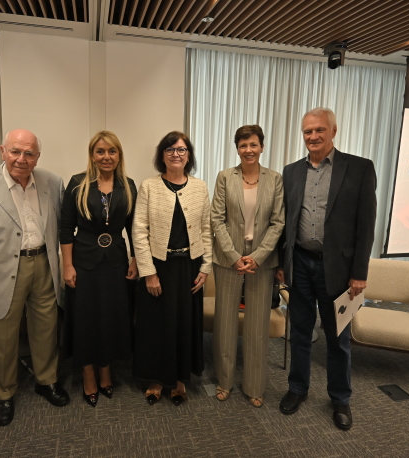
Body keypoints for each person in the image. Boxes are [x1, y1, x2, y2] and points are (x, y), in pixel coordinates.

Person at [0, 129, 69, 427]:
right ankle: (3, 393)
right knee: (1, 335)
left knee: (46, 327)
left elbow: (63, 228)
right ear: (2, 151)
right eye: (15, 151)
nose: (22, 159)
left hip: (44, 263)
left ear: (37, 157)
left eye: (29, 153)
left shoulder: (52, 182)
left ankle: (47, 380)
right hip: (2, 271)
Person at [276, 108, 377, 430]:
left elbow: (366, 226)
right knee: (300, 332)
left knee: (338, 337)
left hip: (339, 269)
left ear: (333, 131)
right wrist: (282, 263)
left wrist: (359, 273)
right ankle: (297, 388)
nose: (313, 136)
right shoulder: (291, 172)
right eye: (307, 131)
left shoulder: (359, 168)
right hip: (300, 264)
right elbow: (285, 223)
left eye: (319, 130)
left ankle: (340, 398)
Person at [132, 131, 213, 406]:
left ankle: (179, 379)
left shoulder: (200, 187)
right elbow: (139, 231)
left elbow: (206, 229)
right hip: (159, 267)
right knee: (157, 326)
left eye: (181, 150)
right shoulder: (149, 186)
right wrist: (149, 272)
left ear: (188, 155)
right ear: (162, 155)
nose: (175, 154)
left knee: (183, 324)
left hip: (190, 267)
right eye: (170, 150)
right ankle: (157, 378)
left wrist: (205, 267)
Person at [60, 131, 138, 408]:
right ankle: (88, 373)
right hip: (84, 263)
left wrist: (135, 259)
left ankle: (106, 369)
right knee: (86, 318)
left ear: (119, 155)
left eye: (112, 151)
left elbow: (133, 227)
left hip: (116, 262)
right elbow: (66, 228)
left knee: (111, 317)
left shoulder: (127, 185)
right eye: (100, 151)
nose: (107, 157)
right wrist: (67, 265)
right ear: (92, 155)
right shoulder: (78, 183)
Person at [211, 124, 284, 408]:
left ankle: (255, 386)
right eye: (243, 145)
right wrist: (233, 255)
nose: (248, 150)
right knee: (225, 323)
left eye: (253, 144)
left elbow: (278, 222)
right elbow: (217, 219)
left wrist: (258, 256)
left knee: (257, 326)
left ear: (262, 147)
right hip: (228, 260)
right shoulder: (224, 177)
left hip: (261, 262)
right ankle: (224, 381)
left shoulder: (274, 179)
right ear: (237, 148)